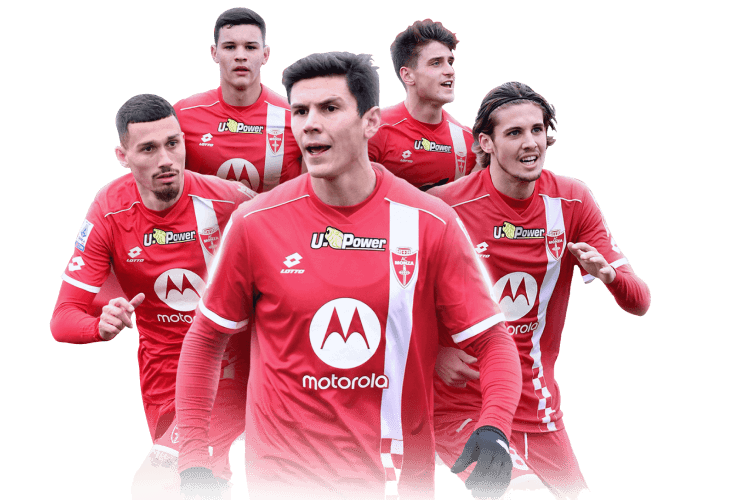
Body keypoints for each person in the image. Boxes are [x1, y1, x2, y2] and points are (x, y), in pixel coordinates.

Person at [172, 52, 523, 500]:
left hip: (397, 479)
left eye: (329, 108)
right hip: (284, 477)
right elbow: (206, 340)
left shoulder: (429, 222)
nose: (310, 124)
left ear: (371, 122)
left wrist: (494, 427)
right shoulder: (255, 222)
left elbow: (492, 341)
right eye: (300, 111)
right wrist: (193, 460)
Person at [429, 81, 651, 499]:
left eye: (537, 130)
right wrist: (433, 353)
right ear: (486, 143)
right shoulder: (445, 207)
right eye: (514, 132)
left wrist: (609, 276)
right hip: (461, 405)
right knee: (522, 492)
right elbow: (387, 296)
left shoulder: (572, 199)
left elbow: (640, 302)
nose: (530, 142)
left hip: (536, 405)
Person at [49, 93, 254, 496]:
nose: (166, 159)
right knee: (199, 489)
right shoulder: (109, 210)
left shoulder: (228, 200)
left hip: (230, 362)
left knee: (158, 487)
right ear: (122, 156)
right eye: (148, 149)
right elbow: (62, 319)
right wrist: (99, 326)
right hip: (165, 371)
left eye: (173, 144)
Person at [174, 7, 303, 194]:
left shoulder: (294, 116)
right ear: (214, 53)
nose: (240, 56)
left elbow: (313, 190)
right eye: (230, 47)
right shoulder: (184, 114)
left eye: (250, 47)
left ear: (265, 55)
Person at [367, 19, 478, 191]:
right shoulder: (374, 129)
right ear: (408, 76)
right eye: (436, 63)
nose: (450, 71)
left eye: (450, 62)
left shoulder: (468, 140)